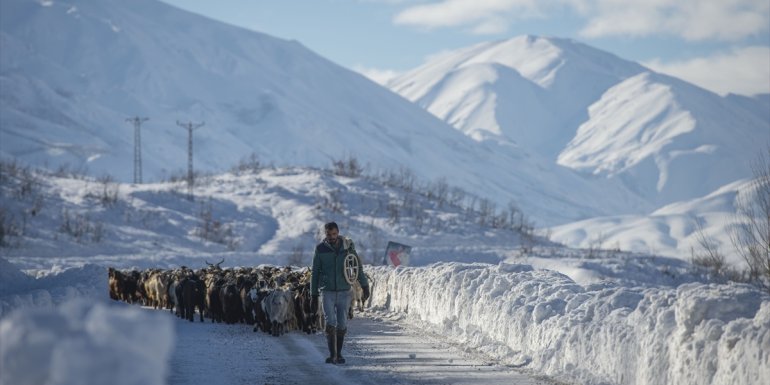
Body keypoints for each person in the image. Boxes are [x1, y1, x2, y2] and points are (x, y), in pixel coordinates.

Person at [310, 221, 370, 364]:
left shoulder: (347, 247)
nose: (332, 237)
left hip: (344, 291)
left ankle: (340, 354)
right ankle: (333, 355)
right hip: (327, 292)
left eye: (334, 234)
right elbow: (315, 273)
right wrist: (313, 295)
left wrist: (365, 285)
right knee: (330, 322)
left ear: (338, 232)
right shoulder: (320, 249)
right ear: (325, 234)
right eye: (329, 234)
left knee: (342, 323)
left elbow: (357, 267)